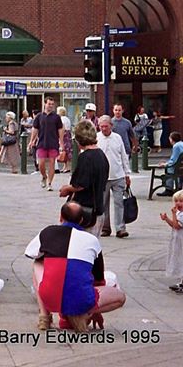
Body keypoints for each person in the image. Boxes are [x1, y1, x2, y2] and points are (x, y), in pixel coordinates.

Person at [25, 201, 126, 332]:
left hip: (50, 299)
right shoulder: (92, 240)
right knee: (120, 297)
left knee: (37, 262)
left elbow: (30, 253)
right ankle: (84, 313)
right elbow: (99, 279)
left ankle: (44, 316)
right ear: (82, 220)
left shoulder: (48, 232)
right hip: (82, 301)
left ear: (60, 217)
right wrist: (95, 310)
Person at [59, 121, 108, 237]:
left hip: (85, 210)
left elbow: (81, 184)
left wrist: (66, 188)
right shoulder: (101, 155)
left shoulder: (86, 157)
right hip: (98, 208)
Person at [97, 115, 132, 238]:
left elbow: (123, 156)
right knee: (103, 204)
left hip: (118, 175)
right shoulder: (96, 138)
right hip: (102, 177)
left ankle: (120, 228)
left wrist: (127, 173)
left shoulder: (117, 138)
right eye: (101, 126)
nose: (103, 129)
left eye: (106, 126)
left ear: (111, 126)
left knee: (119, 203)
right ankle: (105, 228)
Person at [29, 97, 65, 191]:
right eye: (49, 104)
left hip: (53, 143)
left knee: (52, 163)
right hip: (41, 143)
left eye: (52, 104)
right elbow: (35, 129)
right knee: (41, 164)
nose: (51, 106)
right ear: (45, 104)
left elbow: (60, 129)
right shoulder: (39, 116)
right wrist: (32, 141)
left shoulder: (56, 117)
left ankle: (49, 183)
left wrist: (61, 142)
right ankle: (44, 176)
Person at [159, 190, 183, 292]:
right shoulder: (179, 212)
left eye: (181, 201)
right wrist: (167, 219)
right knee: (179, 259)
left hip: (181, 240)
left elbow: (177, 226)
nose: (178, 203)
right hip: (177, 240)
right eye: (176, 201)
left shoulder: (181, 215)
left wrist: (173, 214)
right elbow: (173, 225)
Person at [158, 131, 183, 196]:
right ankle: (179, 187)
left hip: (178, 168)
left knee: (169, 169)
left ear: (171, 139)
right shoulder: (181, 144)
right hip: (181, 165)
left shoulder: (176, 146)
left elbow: (174, 160)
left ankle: (169, 189)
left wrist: (166, 164)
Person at [56, 106, 73, 174]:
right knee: (67, 151)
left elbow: (61, 129)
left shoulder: (61, 119)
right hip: (68, 135)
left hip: (64, 135)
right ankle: (65, 166)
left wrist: (60, 139)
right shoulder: (67, 119)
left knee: (64, 150)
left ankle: (67, 166)